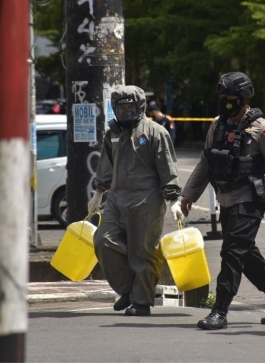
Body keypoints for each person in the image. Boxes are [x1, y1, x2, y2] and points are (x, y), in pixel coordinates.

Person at [180, 72, 265, 330]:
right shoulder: (217, 124)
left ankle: (220, 310)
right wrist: (189, 194)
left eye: (230, 98)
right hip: (226, 198)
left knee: (232, 252)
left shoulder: (261, 129)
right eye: (222, 97)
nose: (225, 102)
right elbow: (206, 162)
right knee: (244, 253)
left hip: (250, 198)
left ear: (243, 98)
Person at [88, 85, 183, 316]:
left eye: (131, 106)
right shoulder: (112, 134)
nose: (126, 111)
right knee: (103, 241)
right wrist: (99, 192)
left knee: (143, 251)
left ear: (139, 106)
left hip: (147, 201)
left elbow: (167, 168)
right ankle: (129, 290)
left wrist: (174, 200)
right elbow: (106, 165)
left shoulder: (155, 132)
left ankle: (141, 302)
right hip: (116, 199)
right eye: (121, 107)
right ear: (115, 108)